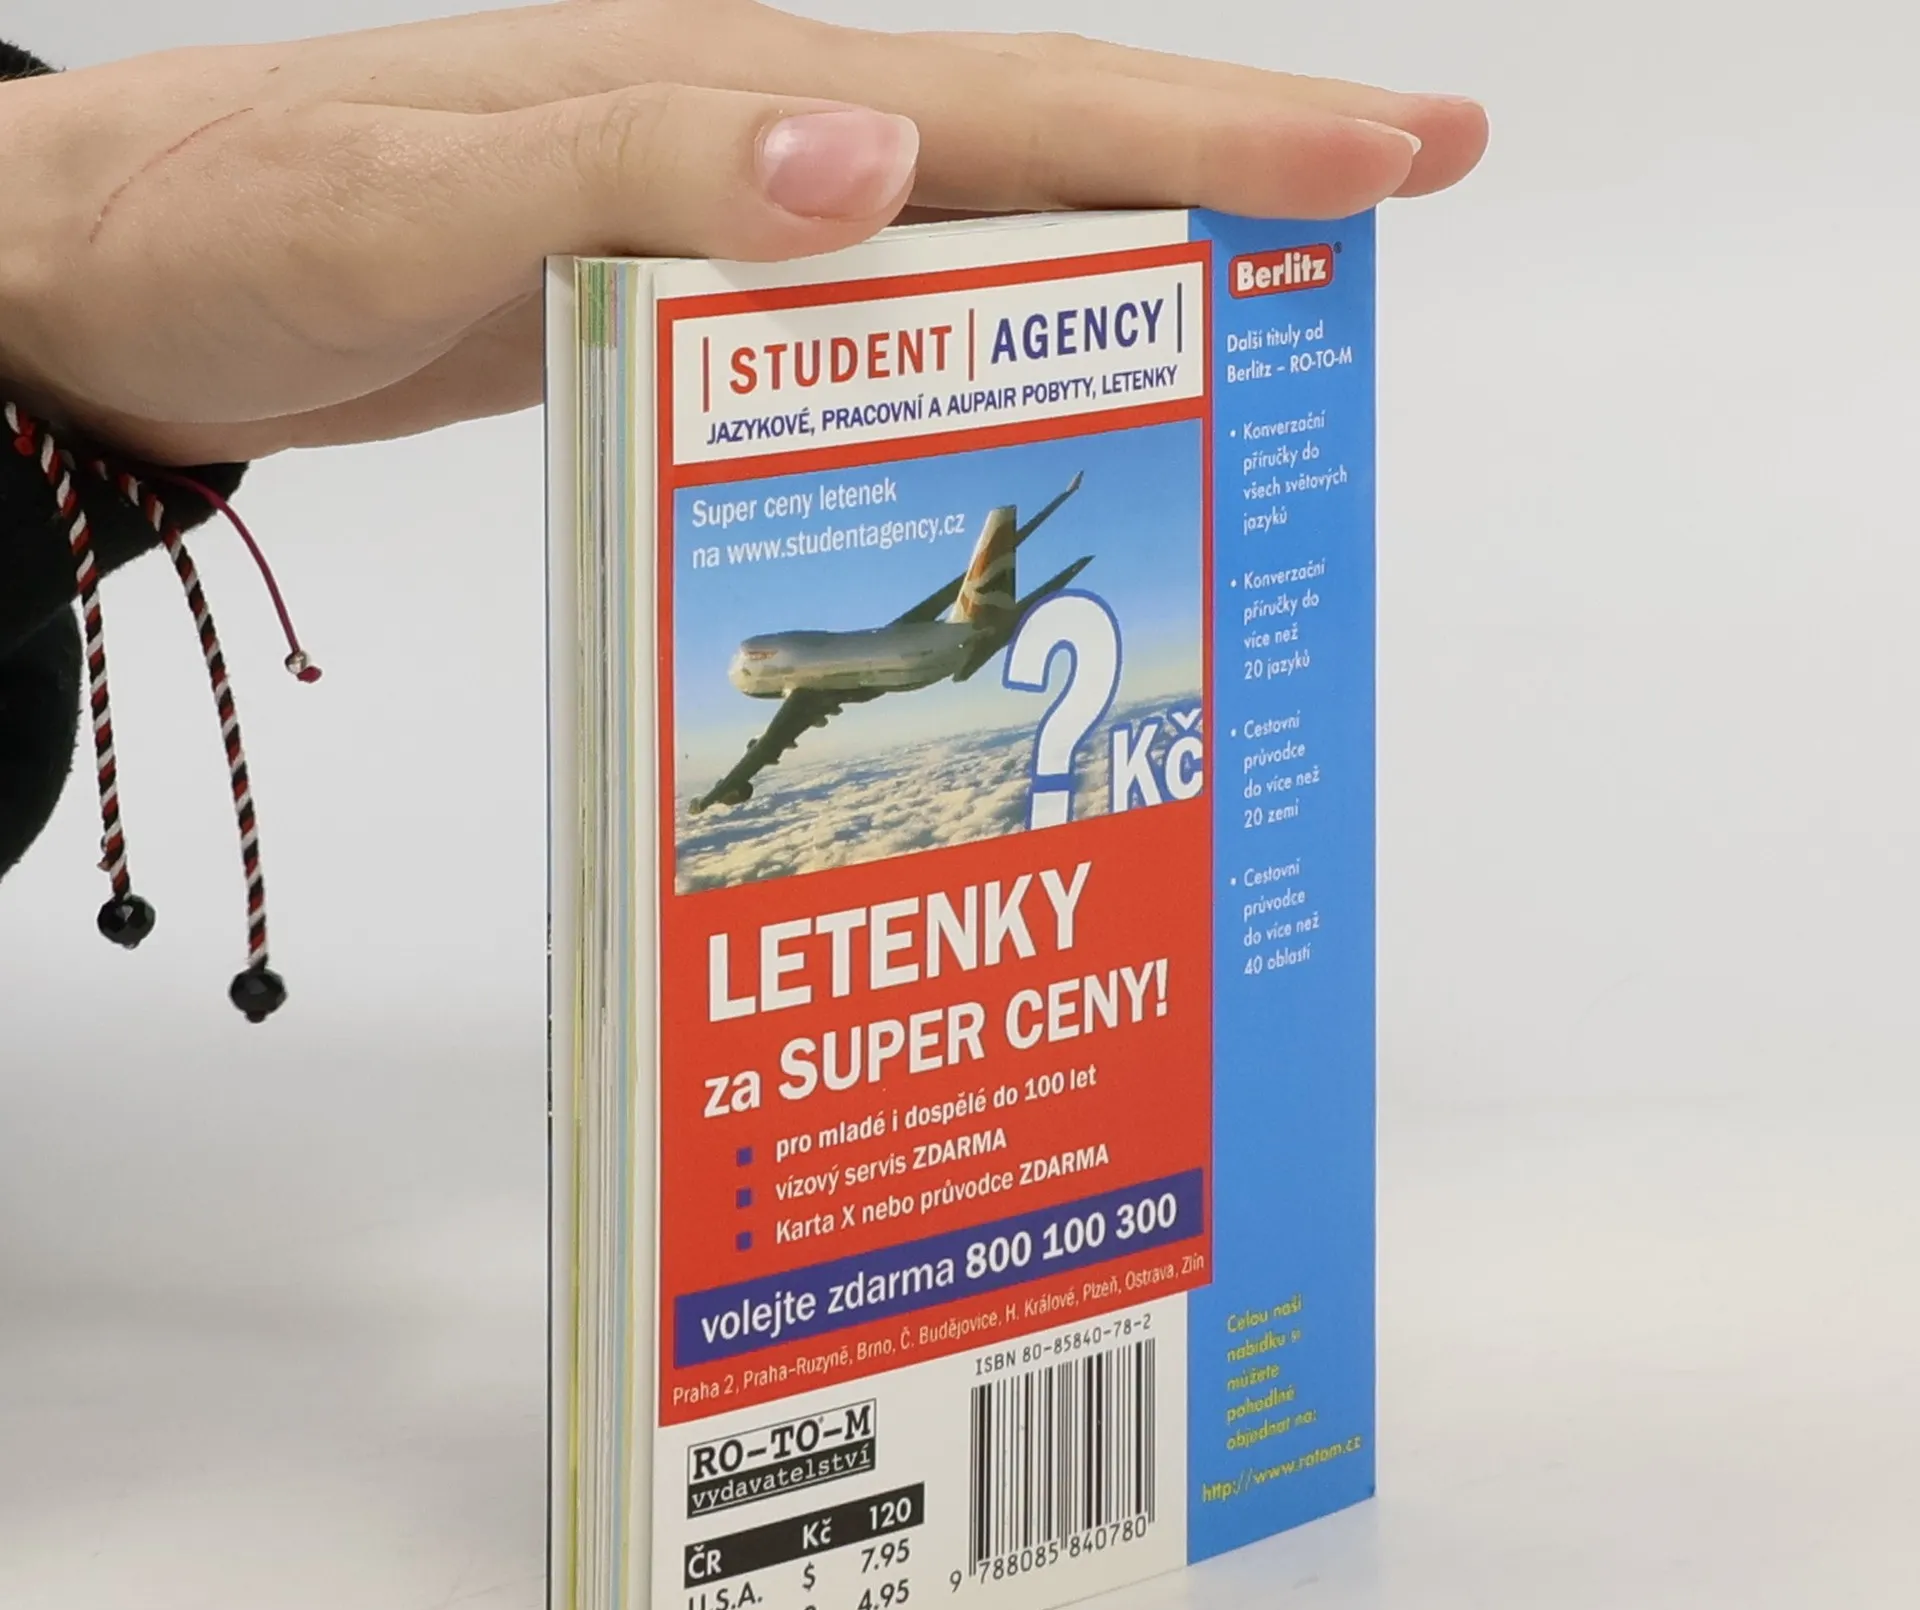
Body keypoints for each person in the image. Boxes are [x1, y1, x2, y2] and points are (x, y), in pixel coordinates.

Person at [0, 4, 1486, 998]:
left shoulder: (857, 660)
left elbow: (916, 626)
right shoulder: (808, 692)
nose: (763, 670)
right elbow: (798, 713)